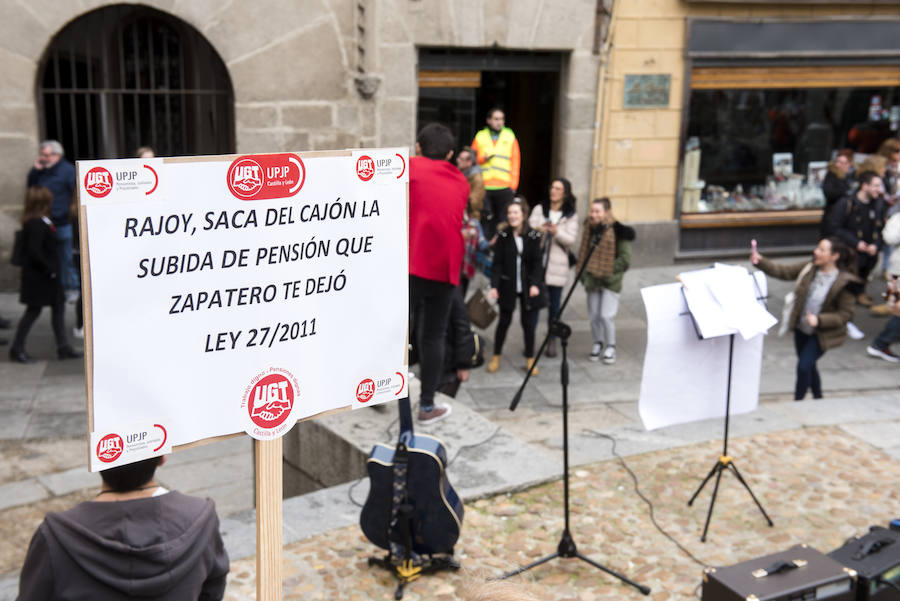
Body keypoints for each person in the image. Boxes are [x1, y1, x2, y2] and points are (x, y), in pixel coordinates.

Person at [16, 456, 230, 601]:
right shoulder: (202, 517)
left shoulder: (55, 537)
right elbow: (212, 591)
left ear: (96, 457)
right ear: (162, 456)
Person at [409, 122, 470, 424]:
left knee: (393, 329)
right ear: (449, 154)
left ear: (418, 147)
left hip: (410, 262)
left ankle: (379, 392)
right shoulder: (461, 181)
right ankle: (427, 405)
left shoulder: (408, 169)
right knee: (434, 335)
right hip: (445, 269)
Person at [752, 237, 858, 401]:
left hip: (822, 334)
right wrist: (760, 261)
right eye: (817, 248)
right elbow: (783, 271)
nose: (816, 252)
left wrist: (820, 320)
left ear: (834, 256)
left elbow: (845, 315)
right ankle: (818, 397)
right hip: (801, 329)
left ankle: (799, 400)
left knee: (803, 367)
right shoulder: (809, 268)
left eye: (822, 250)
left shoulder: (845, 282)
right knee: (809, 365)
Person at [9, 186, 80, 363]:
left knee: (58, 308)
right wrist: (50, 269)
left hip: (49, 277)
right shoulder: (35, 223)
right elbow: (34, 251)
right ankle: (17, 348)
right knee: (33, 311)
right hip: (40, 277)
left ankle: (63, 346)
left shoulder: (42, 220)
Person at [486, 199, 546, 376]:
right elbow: (497, 264)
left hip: (527, 285)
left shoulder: (533, 236)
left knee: (528, 324)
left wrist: (535, 284)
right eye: (510, 213)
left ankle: (530, 357)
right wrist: (494, 286)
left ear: (523, 215)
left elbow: (537, 263)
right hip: (508, 284)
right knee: (504, 321)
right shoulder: (503, 236)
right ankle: (496, 355)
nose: (512, 216)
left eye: (516, 213)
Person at [577, 197, 634, 365]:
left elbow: (624, 259)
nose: (593, 214)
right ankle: (597, 343)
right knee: (594, 315)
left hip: (610, 280)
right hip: (592, 279)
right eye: (592, 211)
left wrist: (606, 269)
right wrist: (586, 272)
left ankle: (611, 346)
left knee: (606, 315)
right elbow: (584, 252)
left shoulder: (618, 231)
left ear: (606, 212)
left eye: (597, 211)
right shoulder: (590, 229)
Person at [527, 178, 579, 358]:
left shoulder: (570, 215)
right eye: (552, 187)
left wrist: (557, 232)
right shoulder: (539, 209)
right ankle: (530, 341)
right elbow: (529, 231)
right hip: (538, 266)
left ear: (564, 193)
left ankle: (552, 340)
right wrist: (541, 229)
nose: (553, 191)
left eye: (558, 188)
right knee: (533, 305)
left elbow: (571, 239)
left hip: (557, 266)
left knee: (554, 307)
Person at [27, 140, 78, 302]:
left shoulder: (67, 171)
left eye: (46, 155)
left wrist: (69, 212)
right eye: (42, 154)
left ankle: (72, 287)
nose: (43, 158)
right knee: (50, 257)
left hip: (62, 221)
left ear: (57, 155)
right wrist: (35, 171)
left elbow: (75, 193)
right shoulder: (41, 170)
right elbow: (31, 188)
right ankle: (58, 289)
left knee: (66, 257)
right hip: (44, 223)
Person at [830, 170, 886, 308]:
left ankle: (860, 294)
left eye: (879, 186)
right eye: (875, 186)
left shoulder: (878, 204)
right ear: (864, 186)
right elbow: (835, 228)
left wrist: (876, 245)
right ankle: (847, 299)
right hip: (851, 251)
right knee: (849, 276)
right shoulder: (846, 203)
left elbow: (881, 229)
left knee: (864, 273)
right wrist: (856, 243)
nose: (879, 190)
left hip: (869, 253)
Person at [471, 108, 521, 240]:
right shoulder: (480, 136)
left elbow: (515, 162)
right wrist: (483, 158)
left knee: (504, 221)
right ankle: (486, 252)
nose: (499, 122)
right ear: (489, 120)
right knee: (486, 220)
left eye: (502, 119)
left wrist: (513, 186)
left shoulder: (510, 136)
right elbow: (472, 159)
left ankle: (501, 249)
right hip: (485, 186)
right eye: (496, 119)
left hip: (504, 187)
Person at [866, 210, 900, 362]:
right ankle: (880, 343)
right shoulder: (897, 218)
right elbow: (890, 238)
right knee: (897, 308)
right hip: (898, 271)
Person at [820, 149, 853, 236]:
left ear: (849, 164)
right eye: (837, 162)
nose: (838, 165)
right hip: (833, 216)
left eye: (842, 163)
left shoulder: (852, 176)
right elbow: (829, 192)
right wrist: (846, 192)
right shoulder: (832, 175)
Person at [456, 146, 486, 222]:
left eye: (461, 159)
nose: (457, 160)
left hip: (471, 218)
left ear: (470, 162)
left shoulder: (477, 179)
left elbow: (475, 202)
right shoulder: (459, 174)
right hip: (458, 215)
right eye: (458, 158)